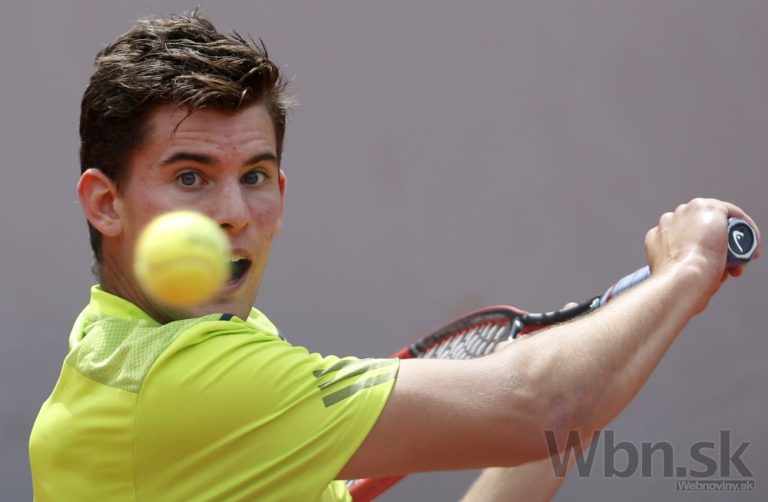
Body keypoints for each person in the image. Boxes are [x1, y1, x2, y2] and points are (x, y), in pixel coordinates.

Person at [29, 11, 759, 501]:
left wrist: (599, 372)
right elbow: (541, 404)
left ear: (281, 190)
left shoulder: (124, 349)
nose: (234, 213)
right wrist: (685, 271)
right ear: (105, 203)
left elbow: (550, 412)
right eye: (190, 177)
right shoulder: (189, 385)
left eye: (254, 176)